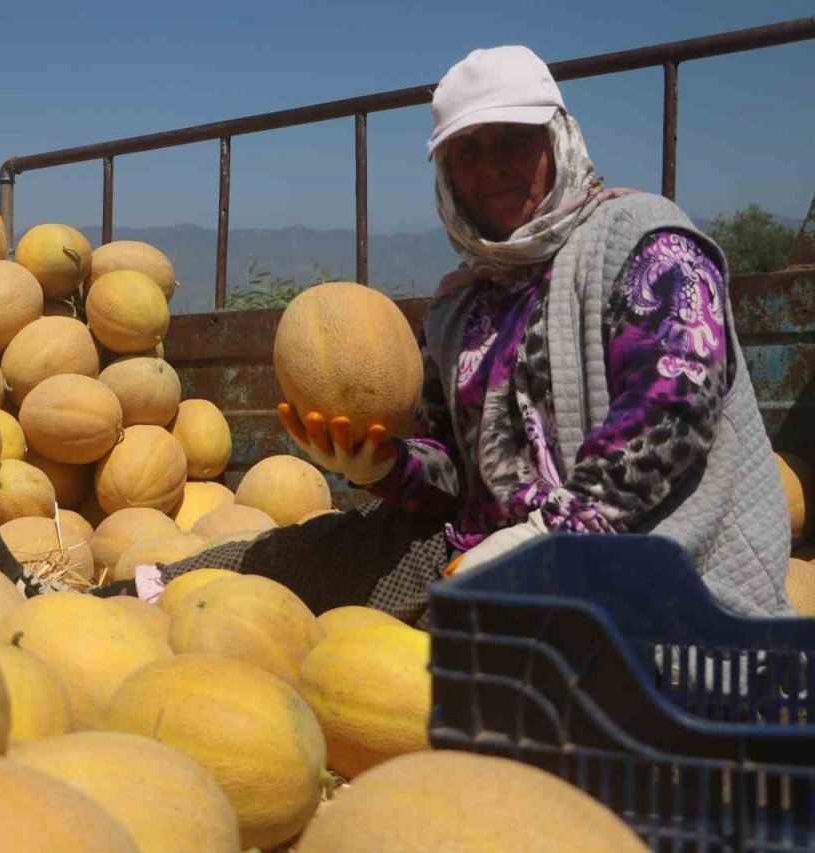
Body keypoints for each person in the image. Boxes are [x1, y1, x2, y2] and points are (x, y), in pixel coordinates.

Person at [133, 45, 793, 625]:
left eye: (514, 140)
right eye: (467, 152)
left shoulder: (644, 238)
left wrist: (548, 535)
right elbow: (453, 473)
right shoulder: (461, 305)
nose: (493, 166)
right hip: (480, 552)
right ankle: (130, 598)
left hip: (644, 564)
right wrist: (386, 466)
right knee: (301, 557)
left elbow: (675, 407)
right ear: (447, 175)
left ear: (557, 140)